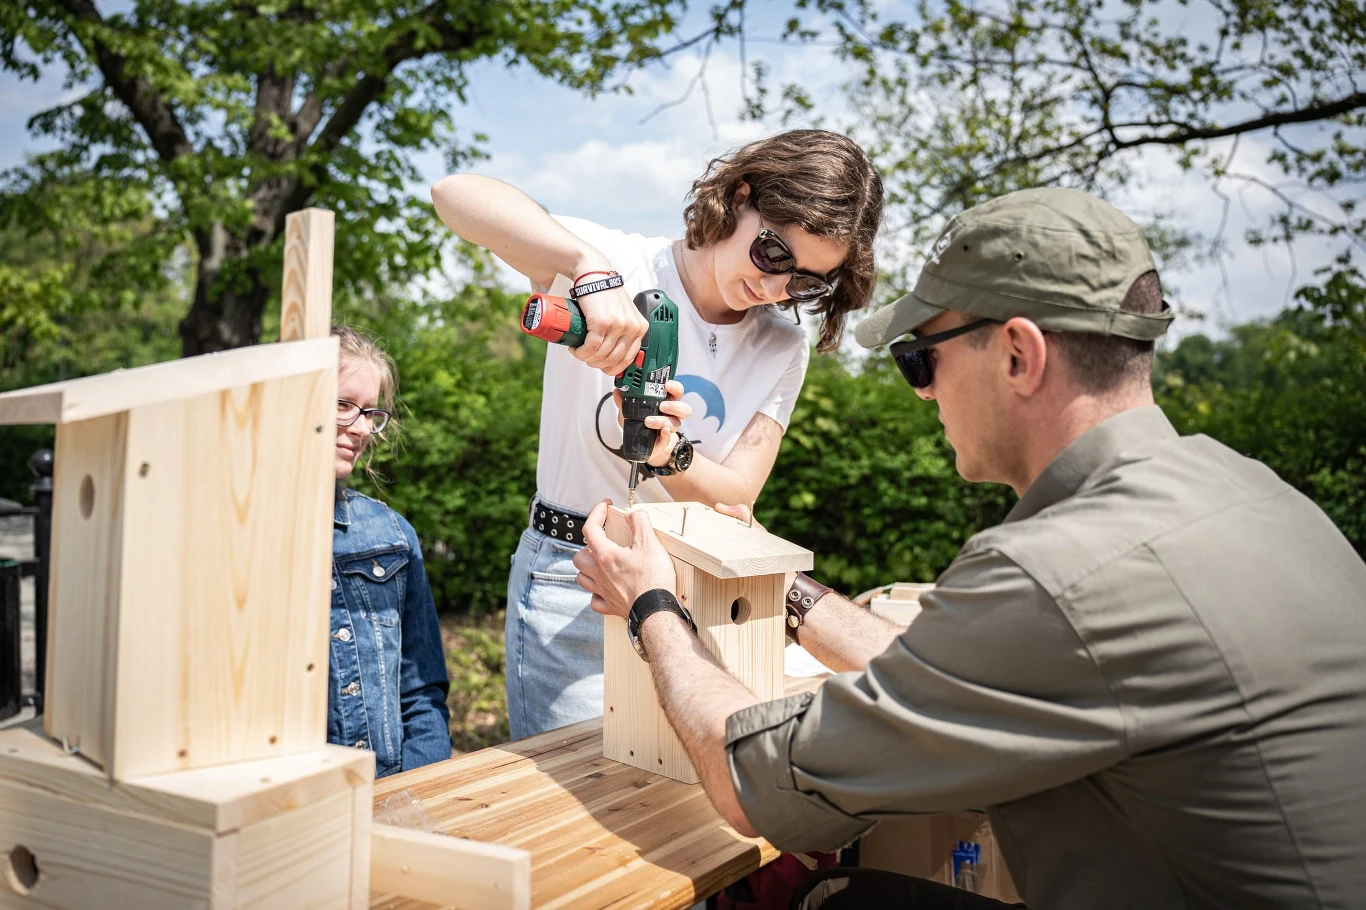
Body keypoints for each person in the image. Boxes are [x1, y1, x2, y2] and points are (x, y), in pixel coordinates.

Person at [573, 188, 1366, 908]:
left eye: (922, 357)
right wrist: (787, 593)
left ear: (1019, 355)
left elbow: (756, 786)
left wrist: (654, 605)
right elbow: (935, 660)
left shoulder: (1058, 571)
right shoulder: (1255, 495)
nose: (922, 389)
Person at [430, 130, 884, 739]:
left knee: (680, 799)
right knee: (581, 797)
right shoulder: (617, 262)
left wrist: (673, 455)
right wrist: (587, 269)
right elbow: (454, 193)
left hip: (698, 585)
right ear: (741, 196)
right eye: (775, 255)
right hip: (575, 577)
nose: (777, 289)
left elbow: (739, 489)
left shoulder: (782, 345)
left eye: (806, 281)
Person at [330, 326, 451, 776]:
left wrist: (414, 793)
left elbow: (422, 696)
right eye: (343, 405)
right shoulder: (234, 537)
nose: (362, 429)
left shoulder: (392, 537)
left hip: (391, 797)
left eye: (370, 412)